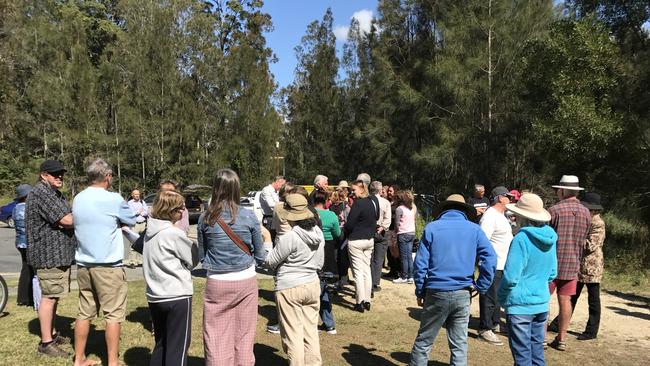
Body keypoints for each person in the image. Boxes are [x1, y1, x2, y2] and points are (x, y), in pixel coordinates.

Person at [409, 194, 496, 366]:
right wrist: (482, 285)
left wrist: (420, 290)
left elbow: (420, 264)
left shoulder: (432, 228)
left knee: (424, 341)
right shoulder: (474, 229)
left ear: (444, 209)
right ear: (465, 210)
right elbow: (491, 259)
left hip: (436, 291)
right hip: (463, 292)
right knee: (459, 344)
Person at [198, 168, 266, 366]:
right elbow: (260, 255)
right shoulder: (248, 216)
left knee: (216, 335)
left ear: (215, 188)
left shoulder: (205, 218)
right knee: (244, 336)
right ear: (237, 188)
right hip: (245, 280)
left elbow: (202, 256)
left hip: (217, 281)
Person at [72, 158, 136, 366]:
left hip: (83, 264)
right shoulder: (114, 199)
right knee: (113, 315)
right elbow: (132, 219)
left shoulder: (78, 198)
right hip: (108, 266)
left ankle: (79, 358)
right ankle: (112, 361)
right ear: (107, 177)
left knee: (84, 312)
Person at [263, 194, 325, 366]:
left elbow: (270, 261)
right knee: (310, 333)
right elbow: (320, 263)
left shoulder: (291, 237)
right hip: (312, 284)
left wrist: (267, 242)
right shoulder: (318, 233)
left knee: (293, 335)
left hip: (289, 287)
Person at [498, 193, 558, 366]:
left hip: (519, 306)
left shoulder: (521, 239)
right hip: (540, 303)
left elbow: (510, 277)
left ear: (522, 216)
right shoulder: (551, 238)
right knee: (537, 353)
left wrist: (502, 298)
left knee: (522, 356)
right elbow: (553, 273)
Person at [26, 159, 76, 358]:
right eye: (55, 173)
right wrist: (91, 213)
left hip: (56, 255)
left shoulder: (52, 192)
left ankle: (52, 334)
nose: (59, 176)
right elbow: (66, 219)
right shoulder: (42, 193)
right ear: (43, 175)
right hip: (48, 255)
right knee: (48, 298)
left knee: (53, 296)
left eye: (61, 173)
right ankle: (46, 343)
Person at [144, 190, 199, 366]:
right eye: (180, 208)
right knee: (178, 349)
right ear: (170, 210)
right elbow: (193, 259)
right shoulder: (173, 233)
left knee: (161, 344)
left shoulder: (149, 231)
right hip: (177, 296)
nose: (183, 212)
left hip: (155, 296)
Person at [550, 192, 606, 341]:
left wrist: (574, 239)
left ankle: (591, 330)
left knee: (593, 300)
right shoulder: (586, 218)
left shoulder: (598, 223)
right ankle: (557, 323)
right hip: (579, 264)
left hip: (591, 267)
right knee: (570, 296)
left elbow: (592, 245)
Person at [546, 175, 591, 351]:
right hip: (573, 263)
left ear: (563, 190)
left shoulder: (554, 210)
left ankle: (541, 337)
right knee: (566, 301)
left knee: (544, 300)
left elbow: (547, 237)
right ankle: (562, 338)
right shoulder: (586, 212)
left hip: (551, 263)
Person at [477, 186, 515, 345]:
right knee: (488, 297)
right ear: (500, 198)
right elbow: (483, 240)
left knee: (497, 297)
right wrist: (486, 263)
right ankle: (485, 329)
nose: (511, 200)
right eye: (508, 197)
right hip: (492, 264)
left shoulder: (501, 216)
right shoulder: (490, 216)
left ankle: (494, 323)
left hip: (501, 264)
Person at [344, 180, 377, 313]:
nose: (352, 192)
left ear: (362, 190)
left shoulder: (358, 204)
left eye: (354, 190)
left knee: (357, 272)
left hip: (356, 240)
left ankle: (360, 301)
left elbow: (350, 223)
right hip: (369, 239)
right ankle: (367, 300)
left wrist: (346, 232)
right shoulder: (371, 202)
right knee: (366, 271)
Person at [313, 190, 340, 334]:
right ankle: (329, 323)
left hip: (313, 248)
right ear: (325, 201)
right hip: (328, 249)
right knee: (325, 287)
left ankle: (324, 322)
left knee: (317, 287)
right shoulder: (331, 215)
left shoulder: (310, 213)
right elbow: (337, 234)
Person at [13, 184, 34, 307]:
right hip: (28, 243)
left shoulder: (16, 208)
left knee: (25, 268)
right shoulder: (27, 208)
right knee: (30, 270)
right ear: (26, 196)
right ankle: (28, 298)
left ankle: (22, 297)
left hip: (20, 242)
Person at [370, 181, 391, 293]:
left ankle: (369, 281)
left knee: (369, 258)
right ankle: (375, 282)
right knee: (379, 259)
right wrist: (382, 227)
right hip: (381, 232)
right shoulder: (385, 202)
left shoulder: (367, 201)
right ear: (379, 190)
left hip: (369, 230)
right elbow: (388, 218)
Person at [393, 190, 417, 284]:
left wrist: (395, 231)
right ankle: (411, 276)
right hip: (411, 233)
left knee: (403, 256)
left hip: (403, 233)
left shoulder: (400, 209)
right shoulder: (412, 208)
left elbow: (397, 223)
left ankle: (404, 276)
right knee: (409, 256)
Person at [125, 189, 148, 267]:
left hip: (143, 224)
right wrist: (138, 212)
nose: (137, 195)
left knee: (143, 243)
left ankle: (141, 261)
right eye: (135, 194)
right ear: (132, 195)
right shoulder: (129, 203)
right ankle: (132, 262)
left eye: (138, 194)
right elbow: (130, 213)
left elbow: (146, 212)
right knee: (134, 243)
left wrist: (141, 212)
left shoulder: (142, 202)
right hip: (135, 225)